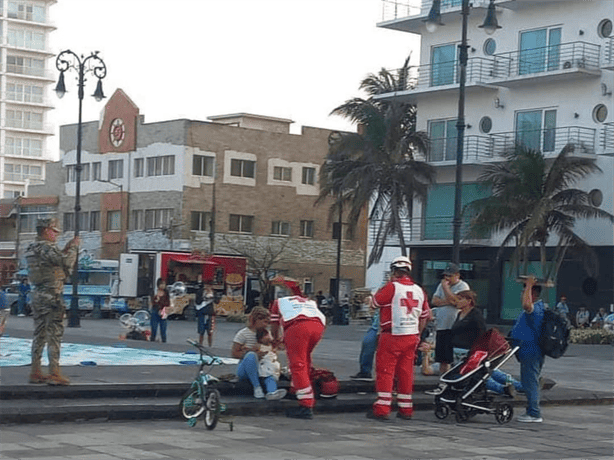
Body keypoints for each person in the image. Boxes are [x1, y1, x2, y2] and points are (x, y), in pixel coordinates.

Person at [368, 256, 430, 421]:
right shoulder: (419, 290)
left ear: (394, 271)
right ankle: (405, 409)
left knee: (386, 371)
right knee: (405, 372)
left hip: (392, 334)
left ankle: (382, 408)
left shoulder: (391, 287)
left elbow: (374, 304)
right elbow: (425, 315)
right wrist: (417, 334)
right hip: (411, 335)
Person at [25, 218, 79, 385]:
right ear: (46, 230)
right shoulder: (47, 247)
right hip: (52, 295)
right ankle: (54, 372)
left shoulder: (32, 248)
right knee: (54, 334)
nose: (56, 234)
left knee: (39, 334)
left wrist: (65, 249)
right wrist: (74, 248)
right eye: (54, 231)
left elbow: (51, 262)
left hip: (38, 295)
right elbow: (66, 263)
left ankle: (35, 371)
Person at [270, 283, 326, 419]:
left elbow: (274, 324)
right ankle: (296, 389)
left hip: (297, 326)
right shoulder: (308, 302)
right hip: (318, 326)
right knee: (305, 359)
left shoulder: (279, 302)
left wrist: (276, 339)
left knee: (297, 364)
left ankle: (306, 404)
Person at [451, 290, 521, 397]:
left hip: (471, 350)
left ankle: (507, 388)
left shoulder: (475, 315)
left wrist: (478, 350)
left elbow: (481, 333)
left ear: (469, 301)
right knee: (488, 371)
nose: (457, 302)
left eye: (460, 299)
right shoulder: (460, 314)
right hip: (458, 349)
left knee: (477, 375)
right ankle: (516, 386)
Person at [425, 262, 469, 395]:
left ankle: (450, 383)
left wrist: (446, 289)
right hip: (441, 325)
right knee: (442, 358)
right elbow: (434, 301)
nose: (447, 279)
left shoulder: (462, 286)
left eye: (450, 276)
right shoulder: (441, 286)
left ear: (457, 275)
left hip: (453, 326)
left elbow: (456, 302)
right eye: (446, 276)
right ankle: (442, 383)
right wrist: (446, 300)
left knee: (450, 357)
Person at [510, 275, 546, 423]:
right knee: (528, 380)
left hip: (531, 350)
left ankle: (534, 412)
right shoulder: (535, 309)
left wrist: (529, 285)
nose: (522, 294)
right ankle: (532, 409)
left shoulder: (536, 308)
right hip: (525, 349)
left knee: (530, 380)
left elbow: (526, 305)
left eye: (524, 291)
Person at [231, 306, 286, 401]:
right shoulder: (243, 334)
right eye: (264, 322)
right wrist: (251, 352)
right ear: (255, 320)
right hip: (246, 369)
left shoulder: (266, 334)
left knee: (269, 369)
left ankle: (272, 392)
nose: (266, 325)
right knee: (251, 355)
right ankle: (257, 387)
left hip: (262, 367)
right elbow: (234, 353)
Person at [350, 295, 378, 381]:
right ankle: (365, 371)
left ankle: (366, 371)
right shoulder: (385, 286)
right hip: (376, 324)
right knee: (367, 344)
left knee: (369, 344)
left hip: (382, 325)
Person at [256, 327, 285, 396]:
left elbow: (281, 346)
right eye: (266, 336)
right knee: (269, 378)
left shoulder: (272, 346)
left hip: (272, 367)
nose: (268, 337)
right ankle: (272, 392)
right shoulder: (258, 346)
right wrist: (261, 354)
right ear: (260, 338)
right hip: (264, 368)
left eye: (269, 335)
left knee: (271, 377)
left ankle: (272, 392)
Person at [194, 275, 215, 347]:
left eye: (209, 285)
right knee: (201, 331)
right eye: (206, 285)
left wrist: (212, 296)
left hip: (210, 314)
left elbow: (217, 301)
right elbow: (197, 301)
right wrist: (204, 296)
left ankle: (210, 346)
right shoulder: (200, 292)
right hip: (202, 313)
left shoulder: (213, 292)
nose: (208, 287)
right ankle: (200, 345)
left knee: (210, 331)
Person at [150, 278, 169, 343]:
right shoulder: (155, 292)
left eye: (164, 284)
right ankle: (152, 340)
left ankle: (164, 341)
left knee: (163, 329)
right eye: (161, 284)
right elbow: (152, 302)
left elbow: (168, 303)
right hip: (155, 310)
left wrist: (163, 308)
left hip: (163, 310)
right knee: (154, 328)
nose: (163, 285)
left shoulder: (166, 293)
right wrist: (156, 300)